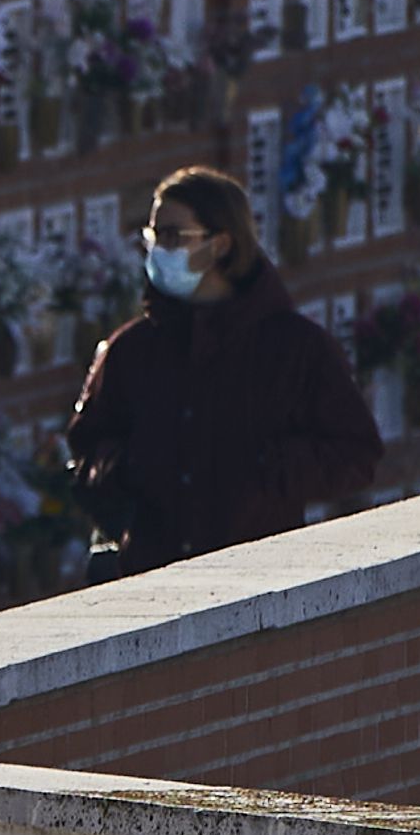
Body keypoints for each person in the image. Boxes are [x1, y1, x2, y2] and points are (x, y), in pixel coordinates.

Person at [66, 165, 382, 576]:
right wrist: (131, 469)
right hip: (153, 577)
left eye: (173, 236)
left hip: (259, 576)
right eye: (153, 236)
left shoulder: (294, 347)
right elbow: (87, 446)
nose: (158, 250)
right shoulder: (132, 349)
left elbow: (356, 453)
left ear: (220, 244)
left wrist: (265, 468)